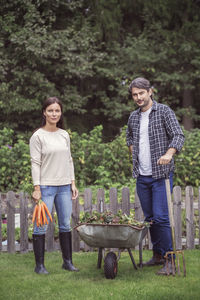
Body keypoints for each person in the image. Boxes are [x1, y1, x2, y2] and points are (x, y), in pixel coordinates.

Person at [126, 77, 185, 275]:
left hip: (160, 174)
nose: (138, 97)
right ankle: (158, 255)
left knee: (161, 218)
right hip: (142, 176)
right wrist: (134, 153)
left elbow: (178, 135)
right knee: (150, 218)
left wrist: (169, 154)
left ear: (150, 91)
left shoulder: (164, 111)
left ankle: (171, 260)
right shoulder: (133, 117)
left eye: (141, 93)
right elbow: (130, 138)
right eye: (135, 94)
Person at [29, 97, 79, 274]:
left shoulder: (64, 134)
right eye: (50, 110)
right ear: (44, 112)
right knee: (40, 226)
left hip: (64, 187)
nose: (54, 114)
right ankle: (39, 266)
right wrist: (37, 188)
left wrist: (72, 183)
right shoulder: (38, 136)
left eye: (57, 110)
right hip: (46, 188)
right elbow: (35, 163)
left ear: (61, 113)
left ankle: (67, 262)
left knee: (65, 225)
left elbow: (69, 160)